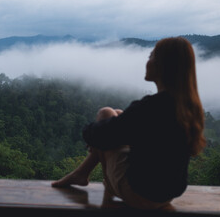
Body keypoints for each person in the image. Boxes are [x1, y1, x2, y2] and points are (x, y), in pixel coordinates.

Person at [51, 37, 206, 210]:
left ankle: (92, 178)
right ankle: (81, 173)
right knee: (116, 114)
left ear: (163, 65)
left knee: (105, 114)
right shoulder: (187, 107)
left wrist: (92, 133)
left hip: (139, 195)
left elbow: (96, 135)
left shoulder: (151, 107)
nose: (147, 61)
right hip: (167, 195)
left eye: (151, 56)